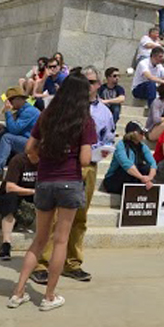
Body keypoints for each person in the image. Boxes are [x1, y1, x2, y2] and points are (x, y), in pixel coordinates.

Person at [9, 72, 97, 312]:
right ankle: (49, 296)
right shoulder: (84, 120)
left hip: (45, 181)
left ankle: (18, 292)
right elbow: (85, 158)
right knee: (61, 241)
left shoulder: (47, 115)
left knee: (39, 239)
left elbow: (29, 147)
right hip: (69, 181)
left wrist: (41, 161)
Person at [31, 66, 111, 286]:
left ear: (99, 85)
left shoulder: (104, 112)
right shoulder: (59, 106)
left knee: (80, 218)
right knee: (54, 220)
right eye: (85, 81)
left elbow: (107, 137)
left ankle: (72, 263)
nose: (89, 86)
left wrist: (103, 149)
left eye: (93, 82)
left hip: (89, 166)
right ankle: (42, 264)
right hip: (62, 167)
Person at [0, 143, 39, 260]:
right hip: (5, 197)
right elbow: (10, 187)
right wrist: (33, 191)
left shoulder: (46, 163)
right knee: (11, 198)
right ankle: (6, 244)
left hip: (28, 196)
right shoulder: (18, 160)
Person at [102, 121, 156, 194]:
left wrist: (149, 178)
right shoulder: (121, 145)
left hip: (134, 176)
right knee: (125, 171)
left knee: (146, 168)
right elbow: (126, 164)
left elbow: (153, 163)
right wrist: (142, 178)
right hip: (114, 179)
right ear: (133, 133)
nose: (143, 135)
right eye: (141, 133)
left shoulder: (143, 147)